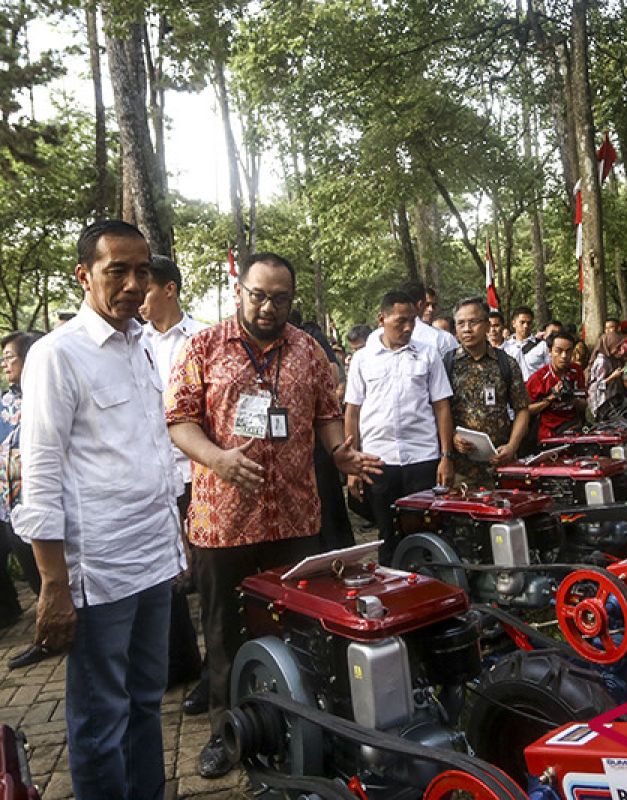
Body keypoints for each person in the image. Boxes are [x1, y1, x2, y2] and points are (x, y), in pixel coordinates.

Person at [165, 252, 382, 778]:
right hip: (224, 520)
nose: (267, 306)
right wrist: (217, 458)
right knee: (223, 633)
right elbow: (179, 421)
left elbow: (328, 416)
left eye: (279, 297)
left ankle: (301, 722)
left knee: (296, 628)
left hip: (293, 517)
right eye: (258, 295)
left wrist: (339, 453)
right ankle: (227, 732)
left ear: (291, 298)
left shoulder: (308, 350)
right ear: (239, 291)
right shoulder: (201, 347)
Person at [13, 220, 187, 799]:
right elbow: (39, 477)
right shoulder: (57, 355)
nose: (134, 283)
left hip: (153, 562)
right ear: (84, 275)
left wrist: (174, 546)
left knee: (145, 701)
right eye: (118, 270)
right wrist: (53, 584)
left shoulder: (141, 346)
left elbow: (151, 453)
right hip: (98, 574)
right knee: (99, 721)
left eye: (142, 270)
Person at [138, 254, 208, 708]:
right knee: (168, 575)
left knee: (207, 574)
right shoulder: (133, 342)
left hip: (199, 471)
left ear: (169, 289)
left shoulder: (204, 337)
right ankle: (181, 661)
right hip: (155, 475)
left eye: (145, 286)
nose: (136, 297)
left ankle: (220, 670)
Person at [345, 290, 454, 565]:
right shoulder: (363, 359)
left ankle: (428, 589)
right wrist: (352, 465)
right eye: (400, 321)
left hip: (423, 458)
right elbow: (353, 412)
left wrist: (446, 456)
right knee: (387, 534)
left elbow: (441, 406)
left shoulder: (428, 355)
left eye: (412, 321)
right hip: (378, 461)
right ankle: (391, 594)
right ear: (382, 319)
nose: (408, 327)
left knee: (425, 531)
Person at [446, 297, 530, 488]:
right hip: (461, 468)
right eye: (461, 323)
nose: (467, 329)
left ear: (487, 325)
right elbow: (438, 411)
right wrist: (452, 436)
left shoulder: (506, 364)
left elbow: (522, 409)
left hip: (501, 464)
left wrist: (512, 446)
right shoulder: (446, 364)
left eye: (474, 322)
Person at [0, 331, 43, 640]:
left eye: (10, 357)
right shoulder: (6, 400)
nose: (5, 365)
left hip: (42, 502)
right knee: (33, 575)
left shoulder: (45, 396)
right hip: (11, 507)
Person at [526, 332, 588, 441]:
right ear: (550, 351)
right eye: (558, 351)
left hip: (574, 430)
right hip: (549, 434)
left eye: (568, 351)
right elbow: (526, 410)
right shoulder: (539, 378)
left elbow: (584, 404)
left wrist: (573, 399)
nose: (564, 356)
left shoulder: (576, 371)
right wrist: (552, 397)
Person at [502, 305, 550, 380]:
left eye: (529, 323)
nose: (526, 326)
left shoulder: (542, 345)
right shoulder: (505, 347)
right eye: (522, 322)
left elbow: (549, 369)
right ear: (514, 323)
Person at [587, 331, 627, 414]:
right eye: (617, 348)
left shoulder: (610, 359)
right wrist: (612, 377)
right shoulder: (602, 361)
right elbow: (596, 385)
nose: (620, 350)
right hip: (601, 402)